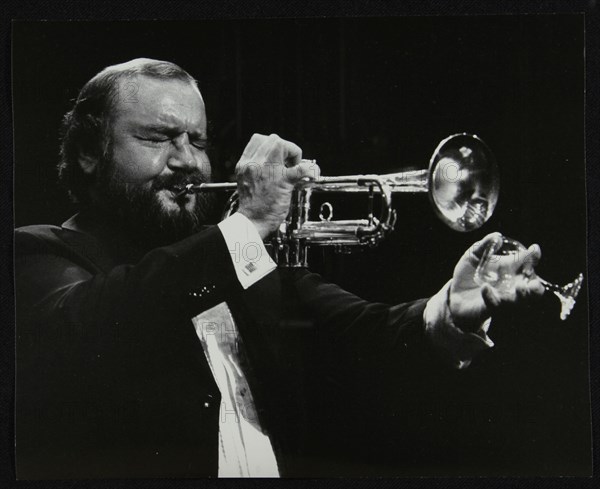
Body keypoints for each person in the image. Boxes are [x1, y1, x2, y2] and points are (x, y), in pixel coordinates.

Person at [14, 58, 544, 479]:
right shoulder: (40, 254)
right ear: (88, 152)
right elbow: (92, 327)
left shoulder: (239, 262)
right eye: (158, 138)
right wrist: (247, 224)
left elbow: (367, 335)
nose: (186, 161)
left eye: (197, 141)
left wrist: (451, 310)